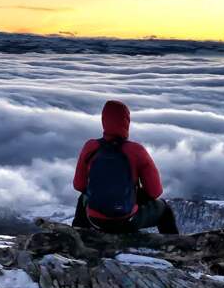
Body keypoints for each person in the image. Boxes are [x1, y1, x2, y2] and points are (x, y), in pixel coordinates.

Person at [72, 99, 179, 234]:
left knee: (83, 198)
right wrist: (134, 196)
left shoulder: (91, 147)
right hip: (127, 221)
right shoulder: (136, 151)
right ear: (126, 122)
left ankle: (78, 236)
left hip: (95, 220)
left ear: (104, 120)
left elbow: (79, 185)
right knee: (165, 211)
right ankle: (175, 244)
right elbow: (155, 191)